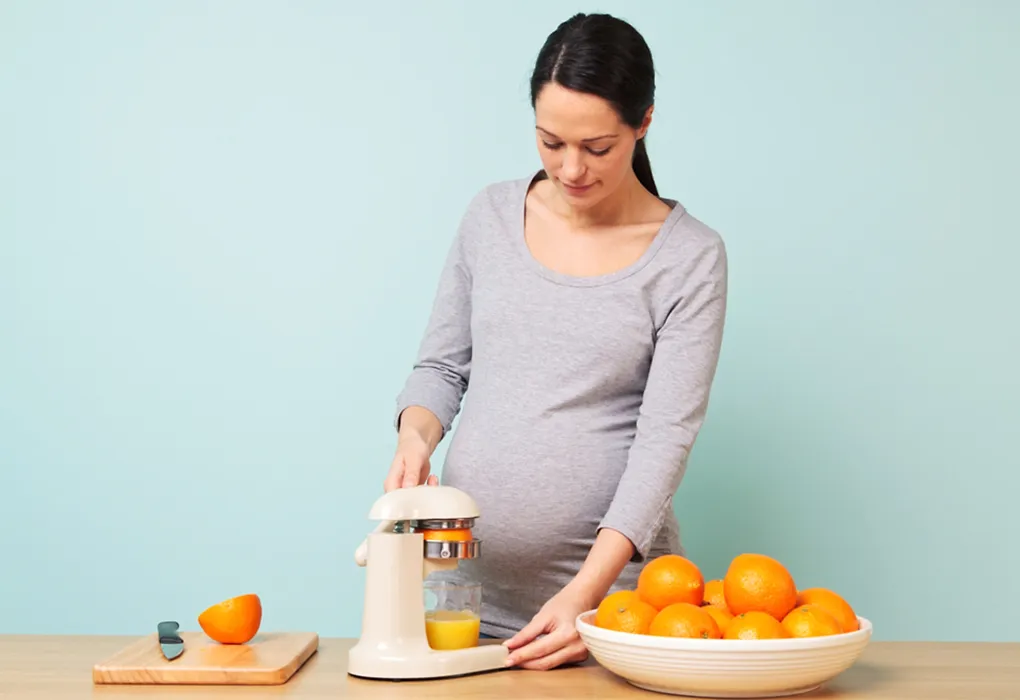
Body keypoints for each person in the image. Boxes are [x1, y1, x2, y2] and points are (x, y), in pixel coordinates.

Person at [384, 12, 728, 670]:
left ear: (644, 122)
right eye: (550, 142)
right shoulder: (489, 215)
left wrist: (585, 596)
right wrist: (414, 438)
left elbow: (663, 443)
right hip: (464, 605)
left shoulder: (689, 258)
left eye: (597, 147)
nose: (571, 169)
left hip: (610, 615)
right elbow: (441, 367)